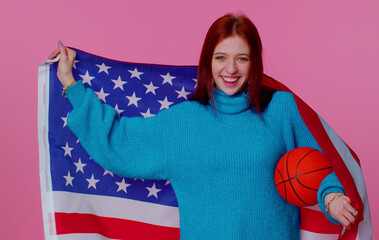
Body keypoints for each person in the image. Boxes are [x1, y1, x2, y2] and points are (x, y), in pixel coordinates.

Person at [49, 13, 358, 239]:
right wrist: (71, 84)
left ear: (255, 63)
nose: (231, 69)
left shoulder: (282, 109)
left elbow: (320, 165)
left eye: (242, 58)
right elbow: (120, 143)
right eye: (221, 57)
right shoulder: (181, 121)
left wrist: (331, 196)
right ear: (207, 61)